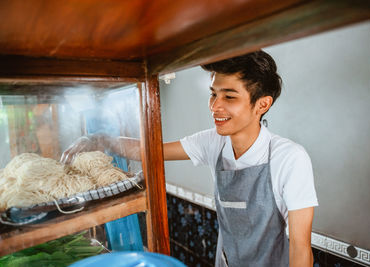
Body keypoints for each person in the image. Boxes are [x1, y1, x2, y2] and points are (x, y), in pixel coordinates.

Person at [61, 50, 318, 267]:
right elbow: (149, 151)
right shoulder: (214, 142)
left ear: (262, 105)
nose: (215, 106)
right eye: (213, 94)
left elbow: (299, 247)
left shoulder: (289, 158)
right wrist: (98, 139)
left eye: (229, 96)